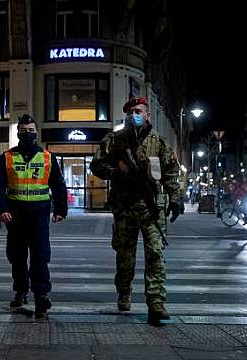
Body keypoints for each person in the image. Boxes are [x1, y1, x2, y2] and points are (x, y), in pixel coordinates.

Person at [90, 95, 182, 325]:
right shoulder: (114, 140)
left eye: (139, 111)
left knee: (155, 254)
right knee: (125, 255)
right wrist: (117, 173)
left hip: (151, 207)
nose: (135, 115)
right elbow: (96, 165)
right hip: (124, 206)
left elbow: (171, 171)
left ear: (148, 114)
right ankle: (124, 291)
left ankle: (156, 302)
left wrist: (175, 198)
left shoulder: (159, 142)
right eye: (131, 112)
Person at [0, 114, 68, 316]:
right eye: (24, 130)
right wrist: (0, 209)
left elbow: (58, 184)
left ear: (37, 132)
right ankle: (21, 290)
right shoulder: (6, 158)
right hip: (14, 216)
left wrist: (60, 209)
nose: (27, 133)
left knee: (40, 256)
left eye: (31, 130)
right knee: (17, 256)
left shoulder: (47, 157)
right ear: (18, 133)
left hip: (38, 215)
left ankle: (41, 295)